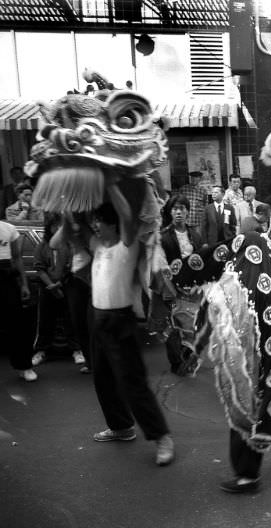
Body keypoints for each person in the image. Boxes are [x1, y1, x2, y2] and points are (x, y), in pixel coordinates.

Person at [88, 188, 174, 466]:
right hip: (98, 319)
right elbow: (57, 242)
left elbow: (126, 216)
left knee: (132, 383)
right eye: (94, 221)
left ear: (114, 223)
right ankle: (121, 426)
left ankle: (162, 437)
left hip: (120, 321)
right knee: (102, 377)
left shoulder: (127, 244)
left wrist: (113, 182)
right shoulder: (96, 245)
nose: (95, 225)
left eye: (100, 220)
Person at [31, 213, 85, 370]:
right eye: (55, 226)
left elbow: (72, 266)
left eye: (60, 226)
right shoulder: (43, 245)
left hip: (67, 285)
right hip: (47, 287)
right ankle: (40, 351)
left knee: (71, 318)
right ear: (49, 228)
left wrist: (59, 284)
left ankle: (77, 350)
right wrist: (51, 286)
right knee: (45, 320)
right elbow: (39, 267)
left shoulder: (69, 245)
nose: (57, 229)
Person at [160, 195, 204, 374]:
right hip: (171, 287)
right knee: (173, 325)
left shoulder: (195, 234)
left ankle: (188, 356)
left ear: (187, 212)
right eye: (175, 209)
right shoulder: (163, 237)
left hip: (192, 288)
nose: (179, 212)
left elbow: (201, 260)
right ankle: (176, 362)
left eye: (182, 209)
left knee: (191, 324)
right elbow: (161, 265)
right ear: (170, 212)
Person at [50, 211, 94, 374]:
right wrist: (68, 222)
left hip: (95, 278)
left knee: (94, 323)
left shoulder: (91, 224)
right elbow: (54, 244)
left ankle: (100, 362)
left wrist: (79, 226)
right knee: (79, 322)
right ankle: (90, 362)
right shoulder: (68, 226)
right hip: (75, 280)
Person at [0, 219, 35, 381]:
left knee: (18, 324)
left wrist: (24, 284)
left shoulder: (9, 229)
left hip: (6, 278)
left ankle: (24, 366)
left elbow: (17, 258)